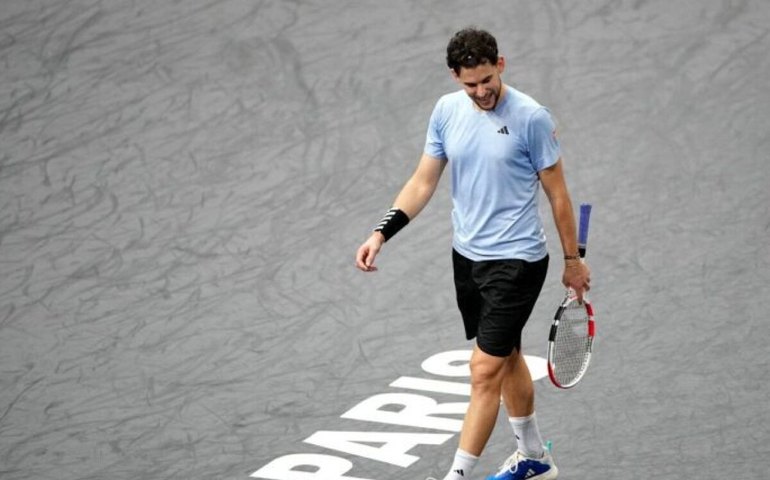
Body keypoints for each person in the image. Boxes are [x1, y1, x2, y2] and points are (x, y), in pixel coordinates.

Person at [354, 27, 590, 480]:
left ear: (500, 65)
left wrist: (572, 261)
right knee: (509, 357)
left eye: (487, 80)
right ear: (454, 78)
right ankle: (535, 457)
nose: (481, 92)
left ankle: (456, 477)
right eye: (470, 84)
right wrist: (381, 233)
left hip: (518, 261)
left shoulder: (532, 118)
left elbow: (559, 195)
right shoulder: (446, 111)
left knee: (483, 371)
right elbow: (423, 181)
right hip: (468, 259)